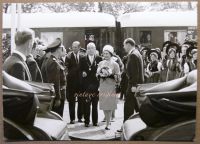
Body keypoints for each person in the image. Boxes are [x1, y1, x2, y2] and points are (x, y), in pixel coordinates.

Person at [97, 45, 120, 130]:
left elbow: (118, 77)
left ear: (111, 54)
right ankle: (107, 119)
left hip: (111, 86)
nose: (105, 55)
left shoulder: (115, 64)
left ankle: (108, 123)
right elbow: (97, 75)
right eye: (104, 53)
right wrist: (99, 74)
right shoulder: (100, 63)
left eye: (107, 53)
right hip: (102, 86)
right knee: (103, 105)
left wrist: (110, 75)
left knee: (109, 105)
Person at [41, 38, 66, 117]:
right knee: (57, 118)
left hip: (60, 94)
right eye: (61, 48)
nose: (62, 50)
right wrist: (58, 98)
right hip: (57, 96)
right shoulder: (53, 62)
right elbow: (54, 82)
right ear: (58, 49)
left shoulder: (54, 60)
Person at [79, 42, 102, 127]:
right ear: (87, 50)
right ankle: (87, 121)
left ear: (95, 49)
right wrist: (82, 73)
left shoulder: (99, 59)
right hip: (86, 85)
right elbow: (80, 70)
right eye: (88, 48)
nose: (90, 50)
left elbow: (102, 70)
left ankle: (95, 121)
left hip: (96, 85)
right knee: (86, 104)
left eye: (92, 48)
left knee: (95, 104)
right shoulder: (82, 59)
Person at [123, 38, 144, 123]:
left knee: (128, 106)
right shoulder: (136, 53)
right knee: (137, 106)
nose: (123, 47)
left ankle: (126, 124)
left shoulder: (133, 55)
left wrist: (134, 85)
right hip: (136, 84)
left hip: (133, 85)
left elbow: (135, 72)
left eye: (124, 45)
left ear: (128, 45)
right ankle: (145, 121)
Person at [65, 41, 84, 124]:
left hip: (80, 84)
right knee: (72, 102)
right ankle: (72, 119)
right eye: (73, 47)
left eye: (76, 47)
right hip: (71, 84)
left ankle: (80, 117)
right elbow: (67, 70)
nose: (74, 48)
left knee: (81, 101)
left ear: (79, 48)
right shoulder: (68, 57)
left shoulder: (83, 56)